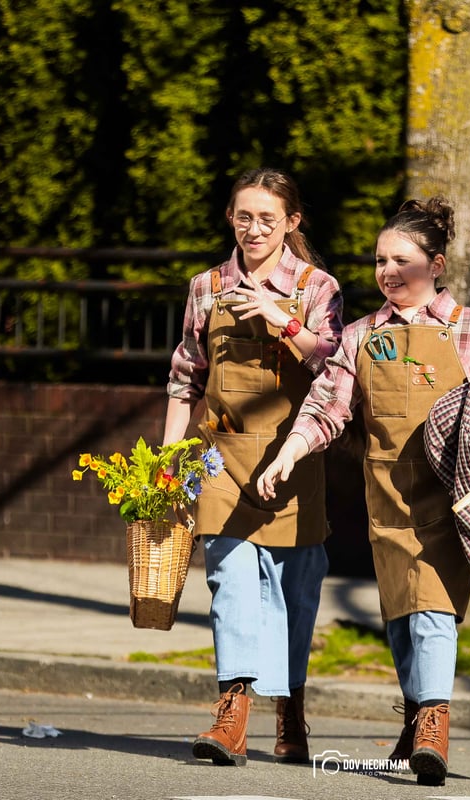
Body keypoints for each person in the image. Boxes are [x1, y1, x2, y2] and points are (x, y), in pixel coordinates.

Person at [256, 197, 470, 786]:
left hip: (454, 501)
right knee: (401, 614)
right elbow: (326, 407)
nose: (388, 272)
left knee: (431, 609)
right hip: (388, 499)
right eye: (379, 261)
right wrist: (288, 452)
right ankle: (415, 717)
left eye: (402, 260)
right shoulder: (359, 336)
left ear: (437, 265)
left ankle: (433, 723)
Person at [162, 167, 343, 767]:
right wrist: (166, 465)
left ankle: (289, 705)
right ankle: (232, 712)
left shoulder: (319, 289)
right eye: (244, 216)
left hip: (292, 461)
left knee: (296, 596)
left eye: (268, 218)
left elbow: (334, 369)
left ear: (291, 222)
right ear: (230, 219)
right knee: (230, 580)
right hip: (220, 458)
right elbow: (185, 377)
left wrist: (282, 318)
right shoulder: (205, 286)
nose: (254, 228)